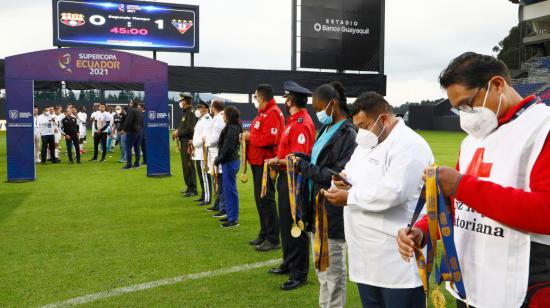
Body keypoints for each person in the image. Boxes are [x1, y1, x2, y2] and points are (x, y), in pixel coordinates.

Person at [397, 52, 550, 308]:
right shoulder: (472, 141)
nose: (465, 114)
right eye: (458, 108)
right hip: (469, 284)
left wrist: (460, 185)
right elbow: (460, 205)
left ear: (498, 85)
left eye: (468, 104)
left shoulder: (542, 127)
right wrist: (423, 230)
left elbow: (546, 212)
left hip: (522, 285)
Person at [322, 92, 434, 308]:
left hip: (396, 256)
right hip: (365, 256)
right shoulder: (367, 144)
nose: (360, 133)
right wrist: (342, 181)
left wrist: (350, 196)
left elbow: (394, 192)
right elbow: (350, 172)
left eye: (364, 125)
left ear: (383, 119)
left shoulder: (409, 144)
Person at [296, 82, 357, 307]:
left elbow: (336, 174)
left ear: (333, 105)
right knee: (322, 271)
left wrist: (303, 167)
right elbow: (318, 161)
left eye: (319, 108)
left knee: (333, 274)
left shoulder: (349, 134)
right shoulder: (326, 128)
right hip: (316, 210)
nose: (317, 113)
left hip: (332, 212)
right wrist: (300, 157)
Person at [265, 81, 316, 291]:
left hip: (295, 182)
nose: (285, 101)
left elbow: (298, 160)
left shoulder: (301, 123)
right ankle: (288, 262)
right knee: (286, 224)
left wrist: (276, 161)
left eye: (286, 97)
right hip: (286, 180)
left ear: (291, 100)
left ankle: (299, 273)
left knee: (296, 225)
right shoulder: (292, 121)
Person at [244, 84, 285, 251]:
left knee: (266, 200)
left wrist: (250, 137)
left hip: (266, 163)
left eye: (255, 97)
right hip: (257, 162)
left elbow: (271, 138)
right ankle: (264, 233)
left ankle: (273, 238)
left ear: (261, 97)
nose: (255, 100)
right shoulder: (263, 114)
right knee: (260, 200)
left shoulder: (273, 113)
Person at [213, 106, 243, 228]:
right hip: (229, 161)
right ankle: (230, 215)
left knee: (230, 191)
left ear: (228, 115)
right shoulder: (232, 127)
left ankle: (233, 219)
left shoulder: (232, 128)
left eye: (224, 114)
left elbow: (228, 147)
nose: (223, 116)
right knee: (228, 190)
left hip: (230, 162)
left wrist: (218, 160)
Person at [172, 93, 198, 197]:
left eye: (181, 100)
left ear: (185, 101)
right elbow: (184, 127)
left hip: (188, 142)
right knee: (185, 165)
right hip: (184, 141)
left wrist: (178, 133)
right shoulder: (185, 112)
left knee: (189, 165)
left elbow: (189, 129)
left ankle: (193, 188)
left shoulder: (190, 112)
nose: (180, 102)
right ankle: (188, 186)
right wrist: (178, 131)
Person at [205, 99, 226, 216]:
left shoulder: (219, 120)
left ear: (214, 107)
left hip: (217, 154)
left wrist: (206, 142)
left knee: (220, 182)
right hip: (213, 154)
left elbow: (215, 139)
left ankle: (223, 207)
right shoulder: (217, 118)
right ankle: (218, 204)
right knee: (216, 181)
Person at [192, 100, 213, 206]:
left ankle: (207, 198)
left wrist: (196, 143)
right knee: (201, 176)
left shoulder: (207, 120)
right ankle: (203, 194)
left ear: (205, 108)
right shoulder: (201, 120)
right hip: (198, 152)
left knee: (205, 176)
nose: (197, 110)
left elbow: (206, 137)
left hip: (203, 153)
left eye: (199, 108)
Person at [122, 100, 144, 169]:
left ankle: (129, 165)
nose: (129, 104)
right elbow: (142, 122)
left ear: (133, 104)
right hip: (139, 132)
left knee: (128, 148)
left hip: (132, 132)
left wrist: (124, 130)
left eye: (130, 103)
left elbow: (128, 122)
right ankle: (136, 164)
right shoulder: (140, 111)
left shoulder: (131, 111)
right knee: (137, 148)